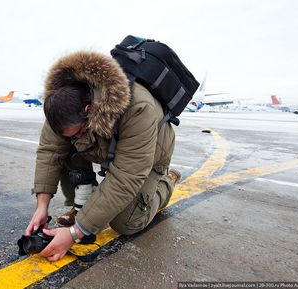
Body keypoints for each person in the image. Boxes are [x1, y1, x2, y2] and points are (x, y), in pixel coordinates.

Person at [25, 51, 181, 261]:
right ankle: (82, 205)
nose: (75, 138)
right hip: (107, 146)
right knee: (65, 148)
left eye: (79, 132)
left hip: (151, 156)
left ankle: (167, 181)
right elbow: (50, 151)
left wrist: (74, 233)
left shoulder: (138, 108)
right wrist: (41, 206)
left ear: (88, 109)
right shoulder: (61, 105)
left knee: (126, 222)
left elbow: (126, 177)